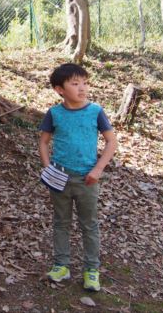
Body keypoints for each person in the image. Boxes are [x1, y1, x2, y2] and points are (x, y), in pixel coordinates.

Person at [38, 63, 117, 292]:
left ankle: (91, 269)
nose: (82, 88)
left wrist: (98, 169)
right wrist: (47, 168)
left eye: (85, 83)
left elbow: (111, 142)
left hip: (87, 179)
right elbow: (43, 142)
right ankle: (61, 265)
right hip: (59, 178)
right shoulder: (54, 113)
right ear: (59, 89)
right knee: (61, 222)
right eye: (75, 84)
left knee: (89, 225)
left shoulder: (95, 111)